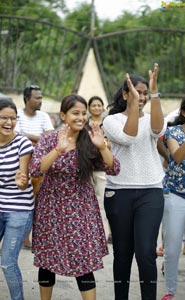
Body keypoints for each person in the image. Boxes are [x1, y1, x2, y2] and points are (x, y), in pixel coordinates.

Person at [29, 94, 120, 300]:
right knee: (47, 260)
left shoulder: (90, 140)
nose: (80, 117)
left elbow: (113, 169)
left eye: (83, 113)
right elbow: (35, 170)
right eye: (75, 113)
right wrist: (57, 150)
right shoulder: (50, 140)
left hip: (81, 209)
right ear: (63, 115)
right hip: (51, 208)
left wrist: (103, 147)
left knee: (83, 261)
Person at [103, 63, 167, 300]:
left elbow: (158, 129)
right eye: (136, 91)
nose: (141, 97)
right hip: (119, 193)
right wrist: (132, 106)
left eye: (144, 93)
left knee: (146, 253)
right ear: (125, 93)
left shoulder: (152, 118)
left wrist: (154, 90)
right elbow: (129, 137)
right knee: (122, 253)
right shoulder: (111, 121)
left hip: (151, 191)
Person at [160, 93, 185, 300]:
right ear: (184, 112)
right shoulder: (173, 132)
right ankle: (170, 291)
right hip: (174, 196)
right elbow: (178, 156)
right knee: (172, 249)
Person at [0, 99, 34, 300]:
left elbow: (23, 180)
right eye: (4, 117)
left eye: (13, 118)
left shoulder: (22, 142)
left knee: (7, 262)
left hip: (19, 210)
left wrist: (22, 179)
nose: (9, 122)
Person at [15, 85, 54, 249]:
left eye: (41, 97)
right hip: (18, 165)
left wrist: (26, 137)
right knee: (16, 203)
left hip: (39, 166)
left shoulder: (44, 116)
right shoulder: (16, 114)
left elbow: (50, 137)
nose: (40, 100)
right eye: (37, 97)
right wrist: (39, 140)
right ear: (27, 99)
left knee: (36, 202)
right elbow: (14, 138)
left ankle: (26, 239)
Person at [87, 96, 112, 242]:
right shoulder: (83, 125)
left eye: (99, 105)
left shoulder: (107, 125)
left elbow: (110, 144)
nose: (96, 108)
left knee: (105, 203)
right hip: (87, 169)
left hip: (102, 168)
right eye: (94, 105)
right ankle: (93, 233)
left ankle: (110, 232)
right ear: (89, 108)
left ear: (103, 108)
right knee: (89, 203)